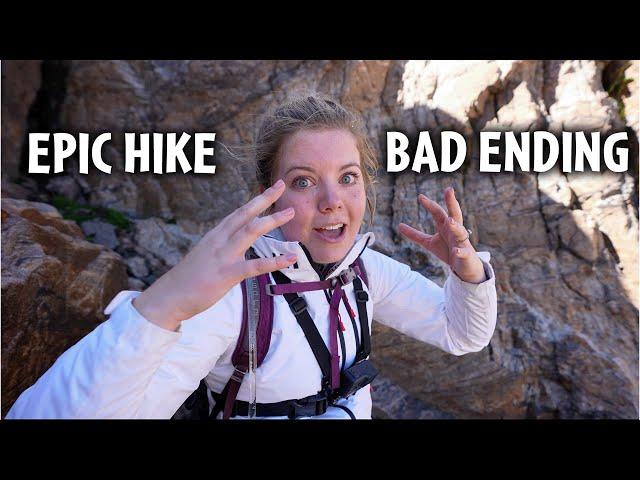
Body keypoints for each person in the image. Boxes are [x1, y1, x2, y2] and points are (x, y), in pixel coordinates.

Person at [6, 93, 497, 420]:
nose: (333, 201)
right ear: (269, 193)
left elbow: (461, 335)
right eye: (304, 181)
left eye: (348, 176)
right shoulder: (234, 296)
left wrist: (468, 273)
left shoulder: (366, 271)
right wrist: (166, 305)